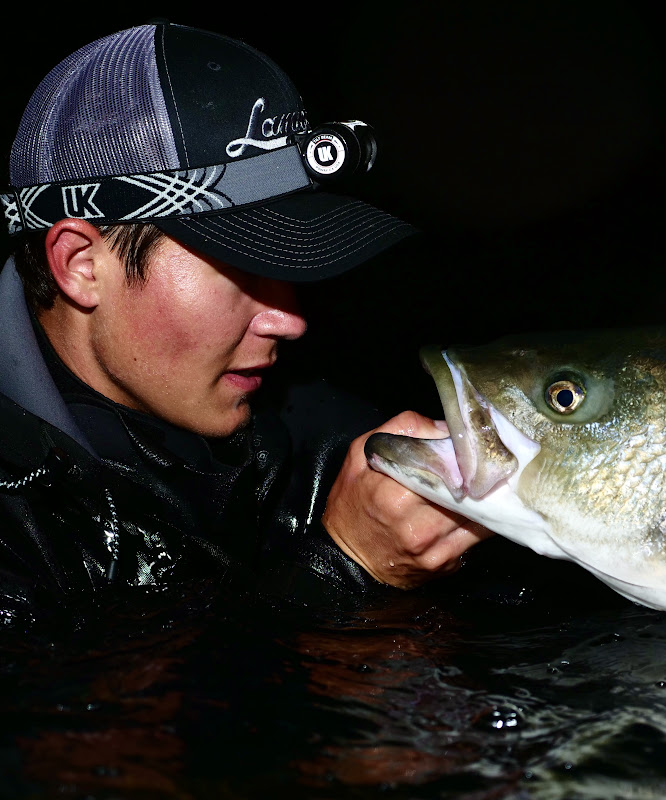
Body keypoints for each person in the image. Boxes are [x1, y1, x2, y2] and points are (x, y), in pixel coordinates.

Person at [0, 20, 490, 617]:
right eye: (243, 265)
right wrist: (343, 566)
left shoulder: (324, 437)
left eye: (290, 264)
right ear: (80, 265)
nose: (290, 320)